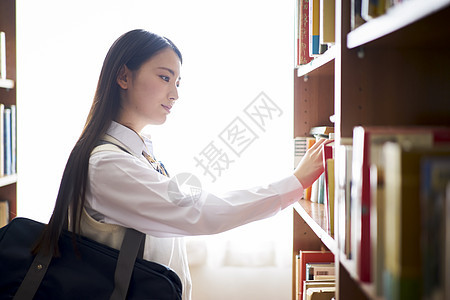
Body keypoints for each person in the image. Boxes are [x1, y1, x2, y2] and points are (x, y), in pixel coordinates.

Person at [36, 29, 330, 300]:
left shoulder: (139, 156)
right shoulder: (107, 165)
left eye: (177, 82)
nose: (175, 93)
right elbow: (200, 211)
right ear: (124, 77)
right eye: (165, 78)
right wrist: (295, 182)